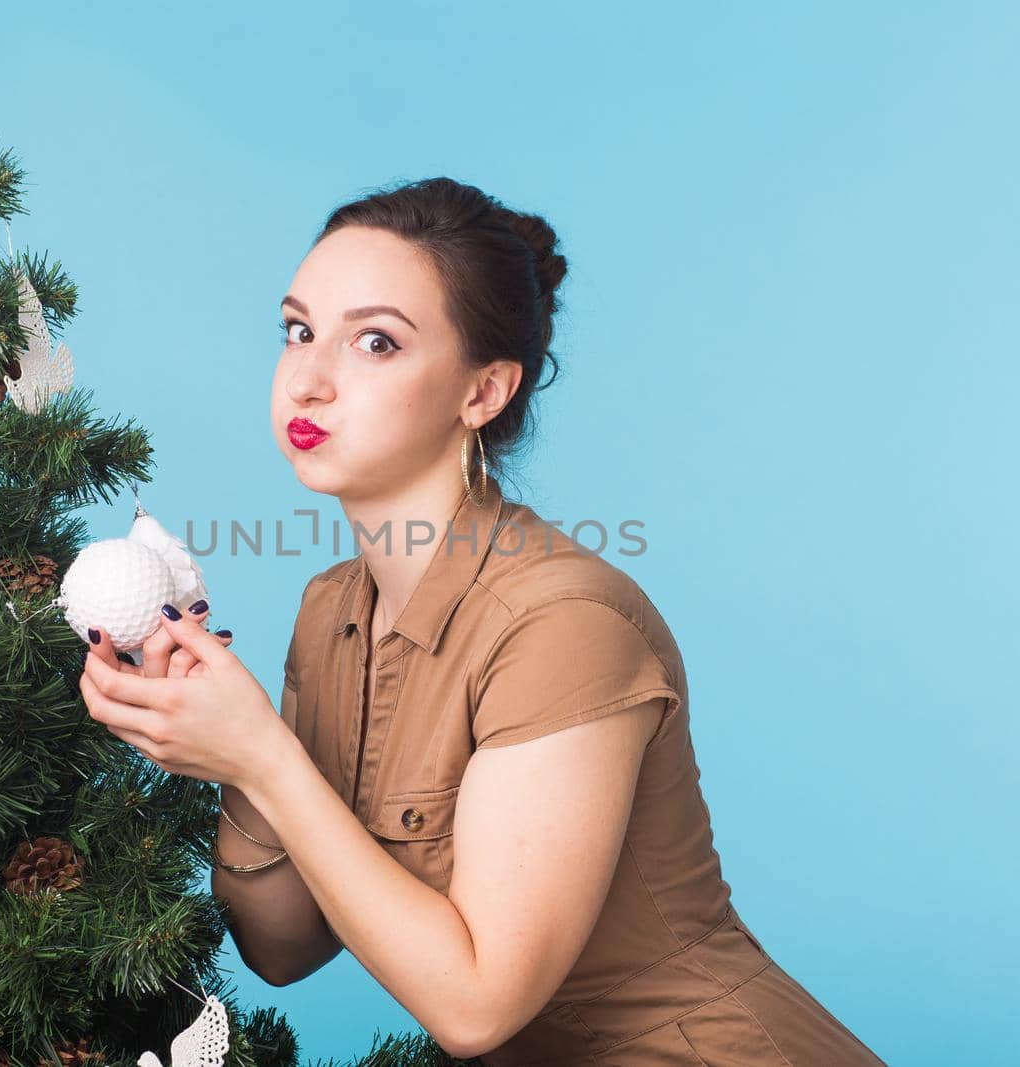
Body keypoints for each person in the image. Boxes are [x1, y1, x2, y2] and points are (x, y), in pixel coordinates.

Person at [78, 176, 886, 1065]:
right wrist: (232, 756)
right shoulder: (332, 610)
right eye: (298, 330)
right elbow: (283, 950)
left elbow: (473, 1006)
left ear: (484, 390)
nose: (308, 380)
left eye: (375, 343)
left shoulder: (563, 623)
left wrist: (263, 753)